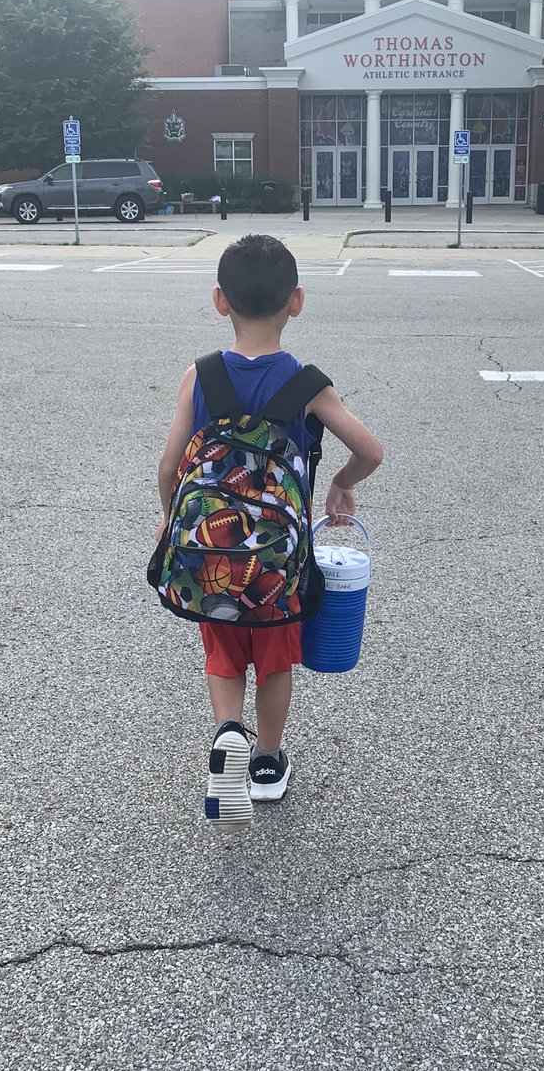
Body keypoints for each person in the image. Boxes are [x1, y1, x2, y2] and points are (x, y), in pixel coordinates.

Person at [155, 234, 383, 834]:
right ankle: (265, 762)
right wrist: (341, 481)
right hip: (279, 563)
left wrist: (169, 517)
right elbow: (370, 450)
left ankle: (228, 734)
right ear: (297, 301)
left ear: (219, 301)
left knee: (223, 653)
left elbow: (170, 464)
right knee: (276, 661)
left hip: (211, 555)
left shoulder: (200, 376)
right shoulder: (306, 384)